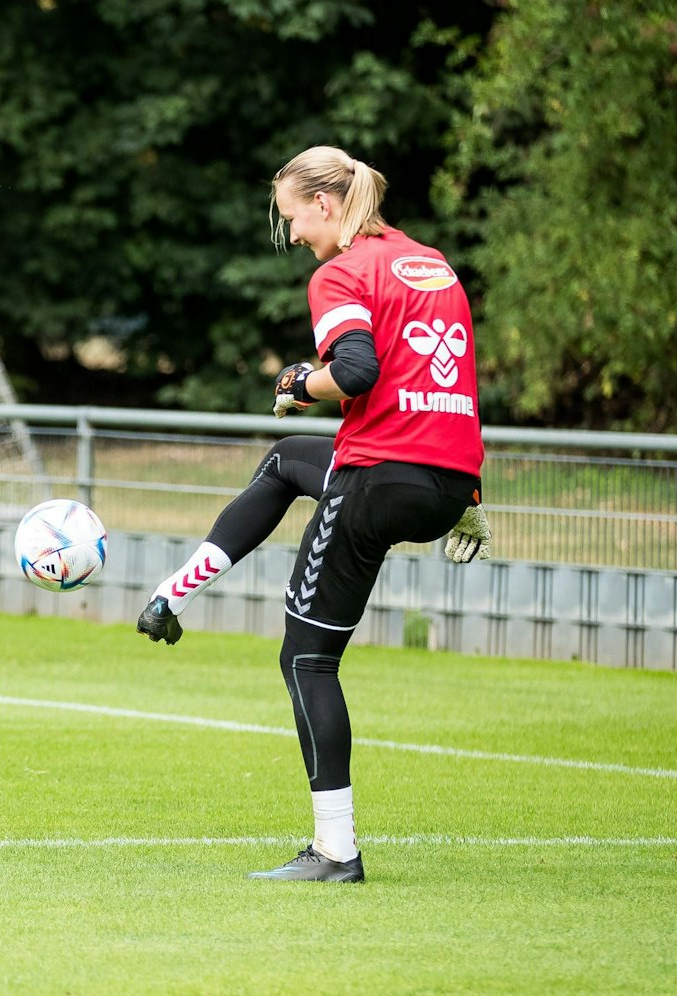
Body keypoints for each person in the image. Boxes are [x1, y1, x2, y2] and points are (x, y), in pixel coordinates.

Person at [135, 145, 491, 882]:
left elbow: (356, 371)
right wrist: (467, 500)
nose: (293, 234)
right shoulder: (433, 264)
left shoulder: (341, 271)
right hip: (448, 481)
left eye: (293, 217)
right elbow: (444, 378)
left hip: (379, 478)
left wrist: (302, 381)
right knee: (288, 458)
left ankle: (336, 851)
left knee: (306, 658)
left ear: (325, 205)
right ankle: (176, 590)